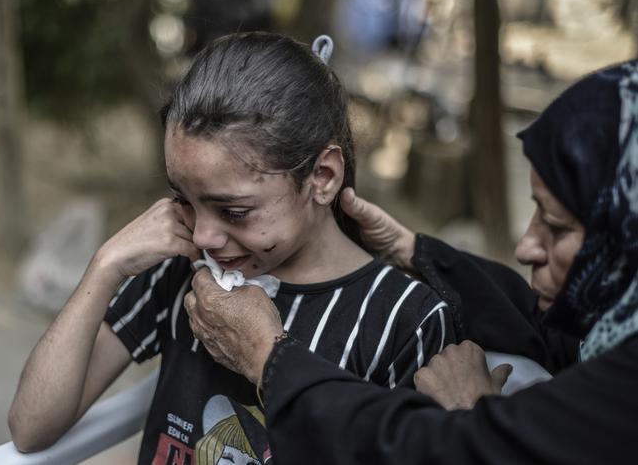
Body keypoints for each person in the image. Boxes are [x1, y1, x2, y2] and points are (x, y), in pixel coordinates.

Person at [9, 32, 465, 464]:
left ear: (322, 178)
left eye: (233, 211)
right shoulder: (180, 267)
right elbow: (32, 426)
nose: (204, 237)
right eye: (185, 200)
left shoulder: (405, 320)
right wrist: (105, 266)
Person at [185, 59, 638, 464]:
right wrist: (419, 252)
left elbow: (414, 447)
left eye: (557, 226)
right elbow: (556, 337)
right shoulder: (613, 331)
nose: (525, 247)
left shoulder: (410, 322)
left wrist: (271, 357)